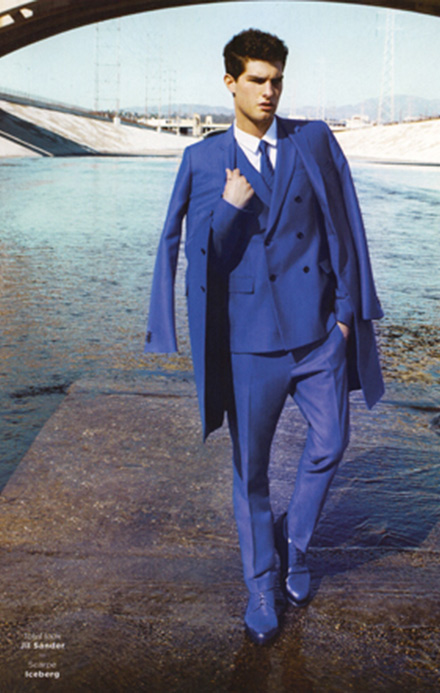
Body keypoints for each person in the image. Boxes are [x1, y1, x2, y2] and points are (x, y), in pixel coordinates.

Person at [144, 28, 384, 645]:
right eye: (257, 80)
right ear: (230, 83)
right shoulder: (203, 160)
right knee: (251, 472)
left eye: (277, 80)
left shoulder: (314, 139)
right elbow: (196, 257)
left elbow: (345, 223)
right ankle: (260, 584)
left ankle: (294, 543)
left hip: (318, 335)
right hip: (249, 344)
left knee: (331, 443)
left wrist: (346, 315)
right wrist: (229, 209)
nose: (269, 91)